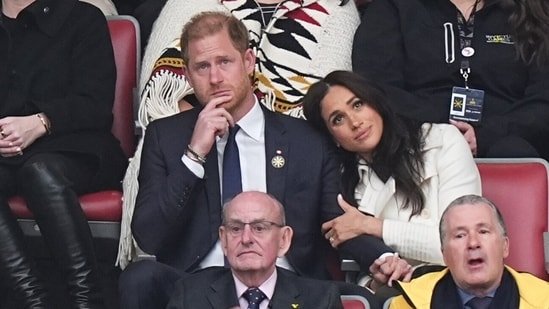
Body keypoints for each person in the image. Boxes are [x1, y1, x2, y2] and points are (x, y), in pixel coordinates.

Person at [118, 12, 391, 309]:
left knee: (365, 301)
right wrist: (194, 154)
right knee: (139, 278)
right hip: (196, 288)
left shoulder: (305, 140)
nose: (215, 78)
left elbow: (337, 222)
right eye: (202, 67)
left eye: (225, 62)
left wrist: (383, 257)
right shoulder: (166, 136)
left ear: (248, 62)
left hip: (285, 285)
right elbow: (148, 235)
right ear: (187, 74)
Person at [303, 71, 482, 290]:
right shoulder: (343, 185)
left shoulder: (443, 141)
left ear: (375, 102)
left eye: (358, 105)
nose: (355, 122)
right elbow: (360, 274)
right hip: (399, 296)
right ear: (333, 137)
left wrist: (371, 226)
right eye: (338, 119)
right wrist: (377, 280)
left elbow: (462, 244)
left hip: (465, 288)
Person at [0, 0, 127, 308]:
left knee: (40, 172)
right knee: (34, 169)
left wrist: (42, 122)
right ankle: (34, 302)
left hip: (76, 144)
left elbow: (96, 105)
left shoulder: (81, 16)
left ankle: (87, 301)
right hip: (6, 152)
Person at [353, 0, 549, 160]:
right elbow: (377, 90)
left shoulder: (532, 10)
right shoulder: (392, 8)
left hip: (509, 141)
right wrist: (445, 131)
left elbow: (543, 99)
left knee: (512, 151)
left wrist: (486, 135)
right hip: (421, 140)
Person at [166, 191, 344, 309]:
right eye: (235, 229)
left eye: (259, 228)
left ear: (283, 240)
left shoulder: (320, 300)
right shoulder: (189, 297)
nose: (246, 239)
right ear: (224, 239)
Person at [389, 194, 549, 308]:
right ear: (444, 255)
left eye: (483, 231)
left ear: (505, 246)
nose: (473, 243)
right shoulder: (409, 303)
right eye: (460, 235)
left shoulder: (544, 300)